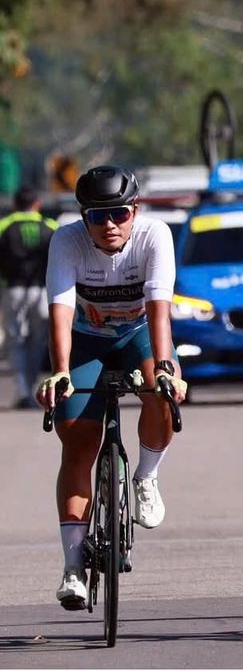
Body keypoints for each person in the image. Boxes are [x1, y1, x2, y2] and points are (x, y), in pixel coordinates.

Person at [35, 165, 188, 610]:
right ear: (83, 217)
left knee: (163, 393)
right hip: (86, 341)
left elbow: (160, 309)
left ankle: (146, 474)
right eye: (96, 217)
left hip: (139, 334)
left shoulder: (154, 236)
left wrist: (164, 369)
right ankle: (72, 568)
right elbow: (60, 311)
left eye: (119, 214)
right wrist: (61, 371)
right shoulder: (66, 241)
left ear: (134, 211)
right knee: (78, 443)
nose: (108, 226)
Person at [0, 186, 57, 408]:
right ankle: (31, 387)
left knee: (16, 341)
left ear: (15, 204)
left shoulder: (4, 225)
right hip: (42, 291)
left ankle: (23, 389)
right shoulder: (51, 227)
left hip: (12, 289)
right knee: (38, 341)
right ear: (37, 204)